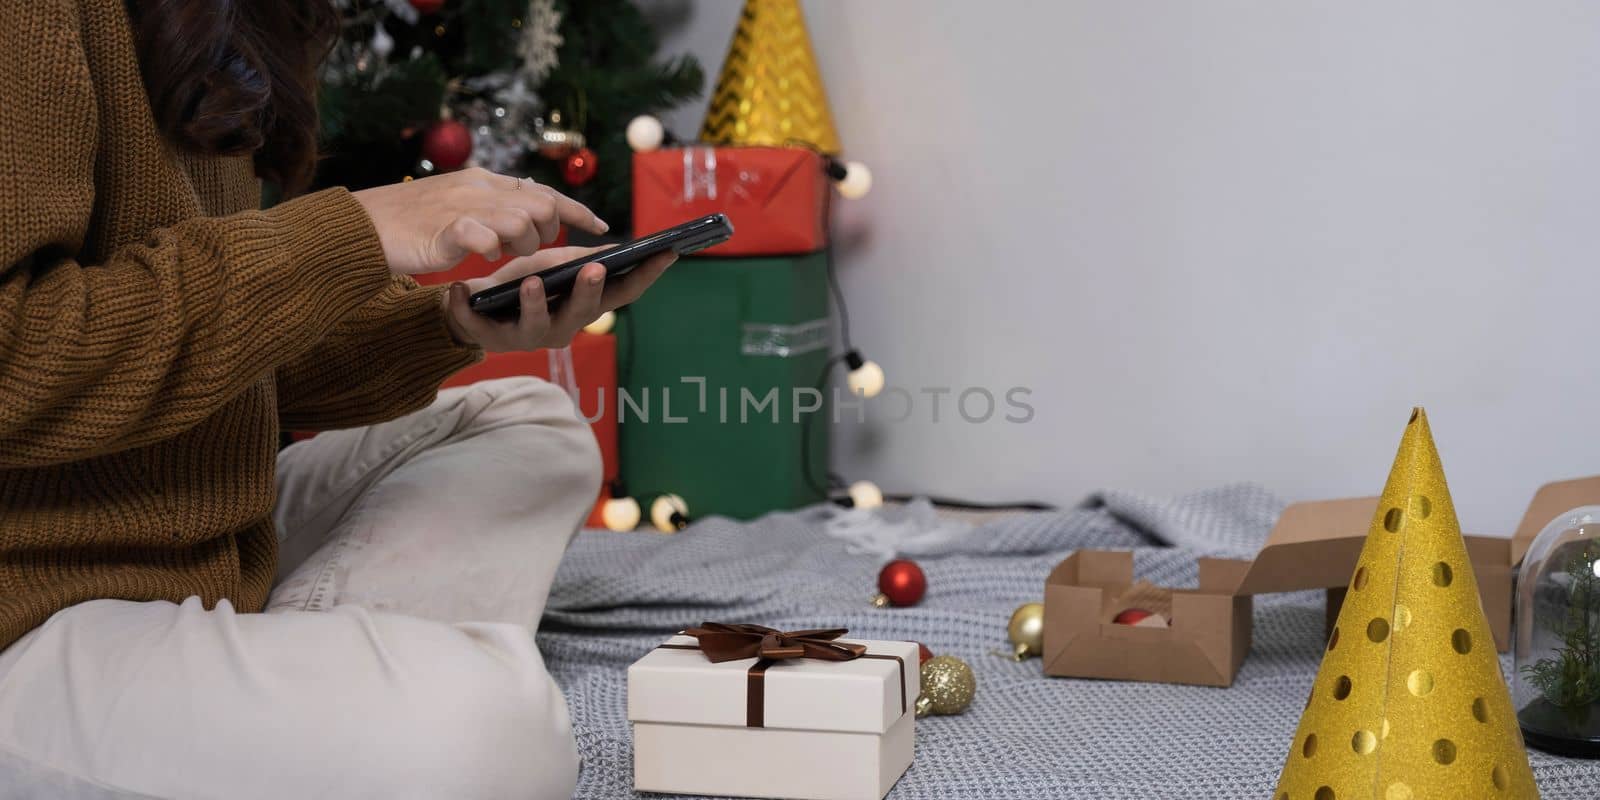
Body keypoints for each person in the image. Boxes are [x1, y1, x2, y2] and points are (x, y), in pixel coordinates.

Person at [0, 2, 672, 797]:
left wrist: (452, 322)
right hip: (29, 605)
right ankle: (304, 702)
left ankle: (277, 693)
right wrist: (348, 230)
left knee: (535, 427)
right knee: (495, 730)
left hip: (179, 531)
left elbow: (229, 364)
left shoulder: (215, 19)